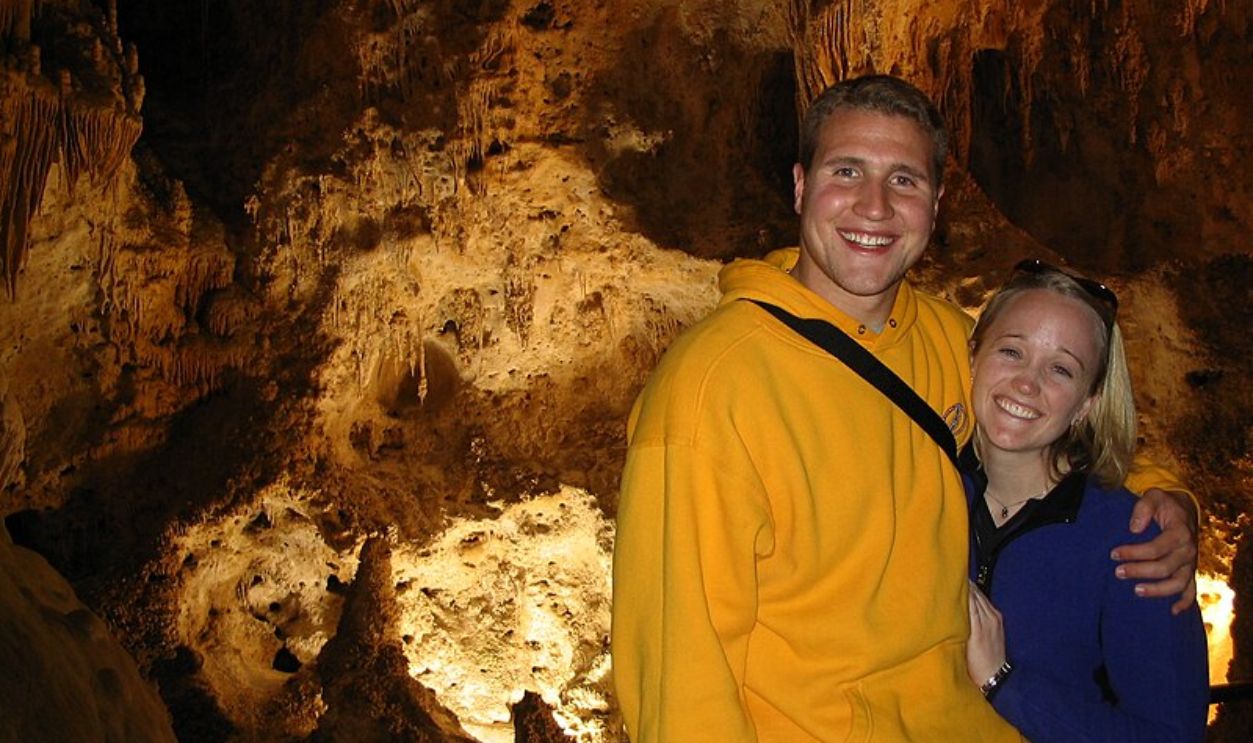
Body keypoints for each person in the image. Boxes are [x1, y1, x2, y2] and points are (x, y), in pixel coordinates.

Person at [610, 74, 1198, 741]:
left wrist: (1166, 502)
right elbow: (677, 667)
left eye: (904, 180)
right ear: (800, 186)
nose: (874, 206)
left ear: (936, 205)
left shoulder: (946, 340)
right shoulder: (710, 388)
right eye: (846, 171)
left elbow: (1052, 424)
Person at [963, 263, 1209, 742]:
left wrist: (1004, 683)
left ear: (1088, 402)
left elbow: (1170, 735)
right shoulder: (927, 486)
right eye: (1011, 351)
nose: (1027, 383)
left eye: (1061, 369)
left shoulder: (1134, 541)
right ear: (974, 356)